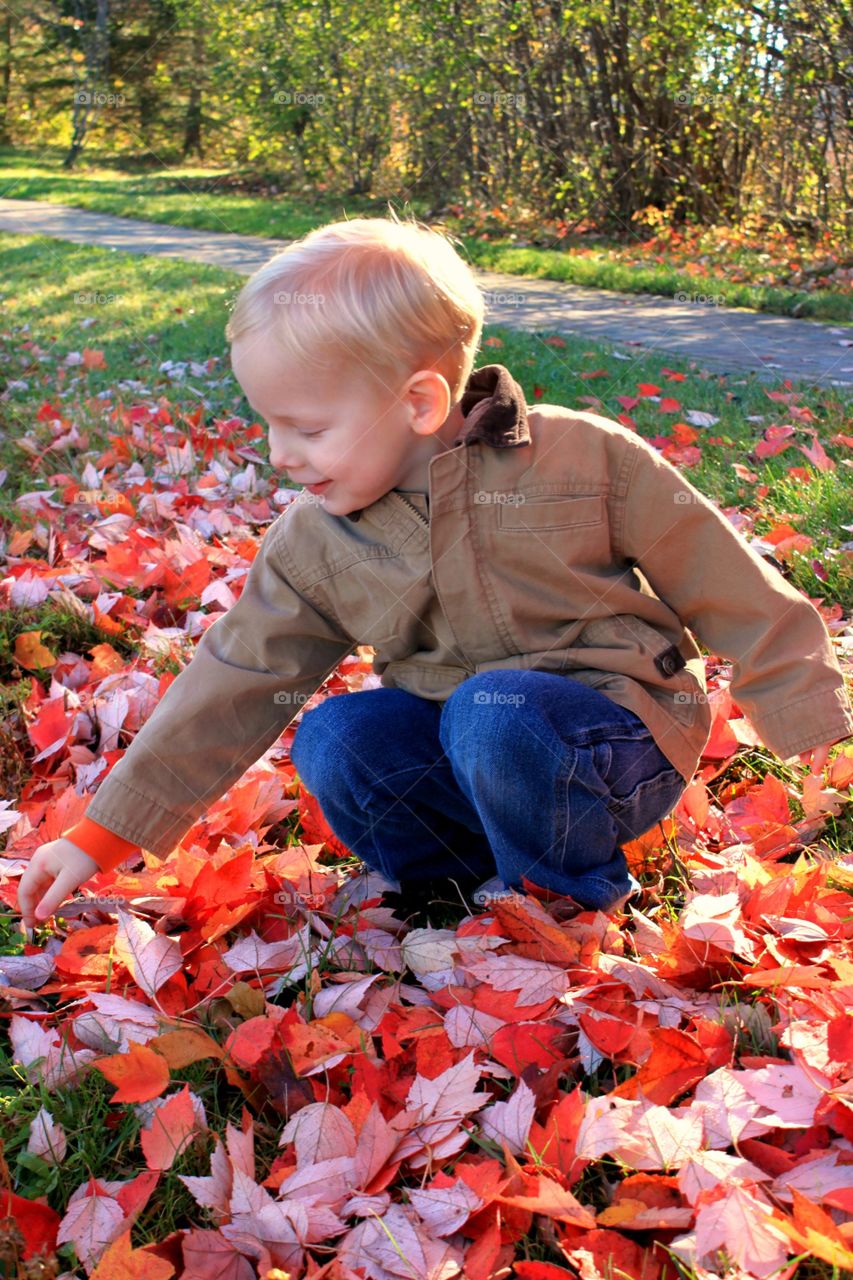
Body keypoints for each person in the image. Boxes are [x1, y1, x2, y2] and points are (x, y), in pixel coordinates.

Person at [16, 211, 853, 934]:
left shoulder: (581, 458)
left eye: (304, 427)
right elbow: (236, 679)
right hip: (465, 748)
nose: (278, 455)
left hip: (612, 743)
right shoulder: (315, 540)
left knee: (496, 713)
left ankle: (559, 903)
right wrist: (103, 834)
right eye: (268, 425)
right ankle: (448, 888)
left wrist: (804, 709)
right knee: (337, 734)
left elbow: (722, 579)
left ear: (419, 402)